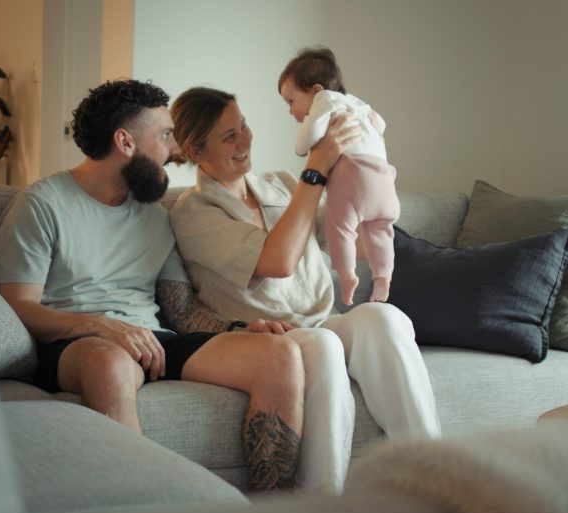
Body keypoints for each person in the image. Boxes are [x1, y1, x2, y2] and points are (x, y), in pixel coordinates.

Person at [0, 79, 352, 494]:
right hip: (76, 344)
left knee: (279, 354)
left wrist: (238, 328)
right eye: (165, 136)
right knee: (109, 363)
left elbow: (180, 313)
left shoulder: (155, 215)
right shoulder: (41, 205)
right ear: (125, 142)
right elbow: (19, 306)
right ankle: (139, 512)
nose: (178, 150)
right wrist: (102, 327)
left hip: (154, 339)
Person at [168, 86, 441, 441]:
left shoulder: (281, 184)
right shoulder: (193, 213)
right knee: (323, 346)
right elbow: (277, 262)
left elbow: (356, 246)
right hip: (274, 339)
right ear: (195, 151)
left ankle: (427, 464)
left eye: (244, 126)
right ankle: (320, 493)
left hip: (325, 322)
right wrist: (315, 170)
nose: (244, 140)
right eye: (229, 136)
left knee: (385, 317)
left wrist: (367, 163)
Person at [279, 47, 399, 305]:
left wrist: (302, 146)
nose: (291, 112)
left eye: (291, 101)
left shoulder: (325, 101)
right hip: (383, 179)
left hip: (354, 175)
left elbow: (305, 142)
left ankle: (347, 276)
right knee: (380, 230)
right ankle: (383, 278)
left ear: (315, 90)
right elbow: (381, 124)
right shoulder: (358, 103)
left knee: (341, 229)